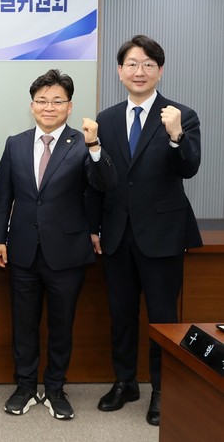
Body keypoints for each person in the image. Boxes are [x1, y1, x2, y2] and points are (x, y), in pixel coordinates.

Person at [89, 35, 202, 426]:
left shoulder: (181, 115)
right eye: (133, 64)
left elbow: (189, 168)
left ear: (160, 71)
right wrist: (94, 227)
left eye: (149, 64)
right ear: (120, 71)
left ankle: (161, 389)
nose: (140, 71)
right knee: (120, 314)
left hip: (163, 233)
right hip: (117, 232)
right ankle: (125, 383)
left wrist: (176, 136)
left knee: (163, 318)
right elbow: (99, 180)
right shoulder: (106, 118)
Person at [0, 69, 117, 420]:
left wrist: (95, 146)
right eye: (42, 101)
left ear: (69, 106)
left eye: (57, 101)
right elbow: (3, 196)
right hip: (22, 250)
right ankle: (25, 387)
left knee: (61, 326)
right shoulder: (15, 143)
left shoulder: (83, 143)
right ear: (32, 105)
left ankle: (56, 388)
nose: (49, 107)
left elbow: (105, 183)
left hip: (67, 252)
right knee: (24, 324)